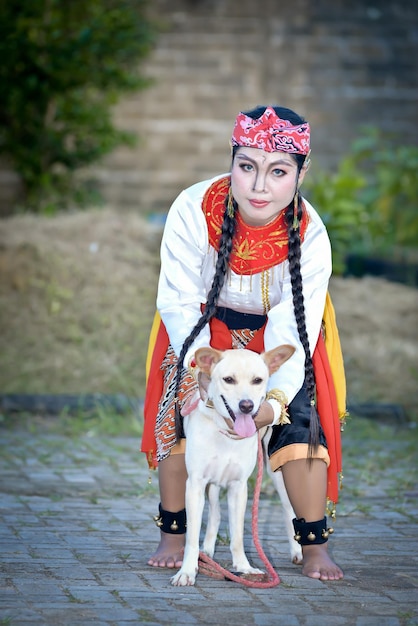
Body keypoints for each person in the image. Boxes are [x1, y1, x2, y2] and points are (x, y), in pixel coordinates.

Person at [141, 105, 346, 581]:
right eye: (247, 166)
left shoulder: (311, 235)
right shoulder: (193, 209)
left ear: (301, 173)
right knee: (179, 408)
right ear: (231, 160)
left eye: (278, 172)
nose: (258, 186)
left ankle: (314, 544)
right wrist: (203, 374)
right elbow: (177, 300)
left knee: (300, 421)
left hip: (282, 335)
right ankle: (174, 533)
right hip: (199, 330)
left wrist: (271, 402)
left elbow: (292, 330)